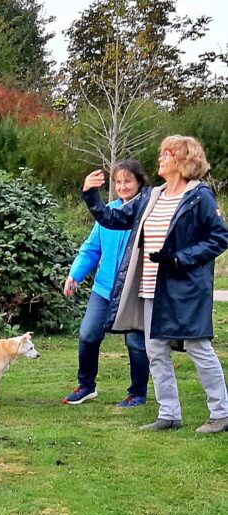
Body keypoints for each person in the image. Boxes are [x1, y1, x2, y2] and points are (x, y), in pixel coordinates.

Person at [82, 135, 228, 433]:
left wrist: (180, 258)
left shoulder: (199, 196)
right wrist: (91, 195)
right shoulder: (152, 196)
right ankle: (169, 413)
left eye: (166, 153)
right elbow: (112, 218)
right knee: (156, 350)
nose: (160, 157)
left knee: (198, 347)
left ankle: (221, 413)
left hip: (184, 289)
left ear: (183, 160)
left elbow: (219, 237)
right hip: (150, 288)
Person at [63, 160, 149, 407]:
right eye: (118, 182)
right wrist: (74, 276)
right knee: (88, 334)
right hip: (103, 290)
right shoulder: (108, 211)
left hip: (134, 292)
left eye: (127, 181)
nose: (122, 186)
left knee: (135, 342)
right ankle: (86, 386)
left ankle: (137, 393)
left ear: (139, 182)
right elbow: (91, 249)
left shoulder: (147, 211)